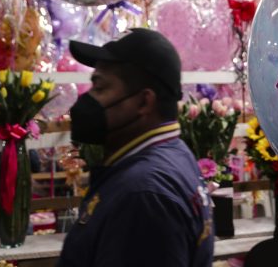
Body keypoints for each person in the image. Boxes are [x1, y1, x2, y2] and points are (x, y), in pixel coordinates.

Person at [57, 28, 214, 267]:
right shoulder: (171, 155)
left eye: (100, 88)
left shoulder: (142, 196)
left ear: (143, 101)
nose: (87, 101)